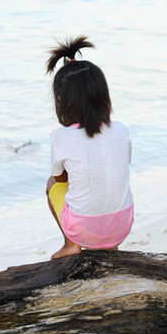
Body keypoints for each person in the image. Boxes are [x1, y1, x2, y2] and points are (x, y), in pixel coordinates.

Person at [45, 35, 134, 259]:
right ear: (103, 97)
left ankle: (70, 244)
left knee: (50, 185)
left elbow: (60, 179)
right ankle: (110, 246)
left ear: (60, 101)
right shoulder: (121, 129)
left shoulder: (61, 136)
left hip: (84, 231)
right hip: (122, 228)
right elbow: (121, 163)